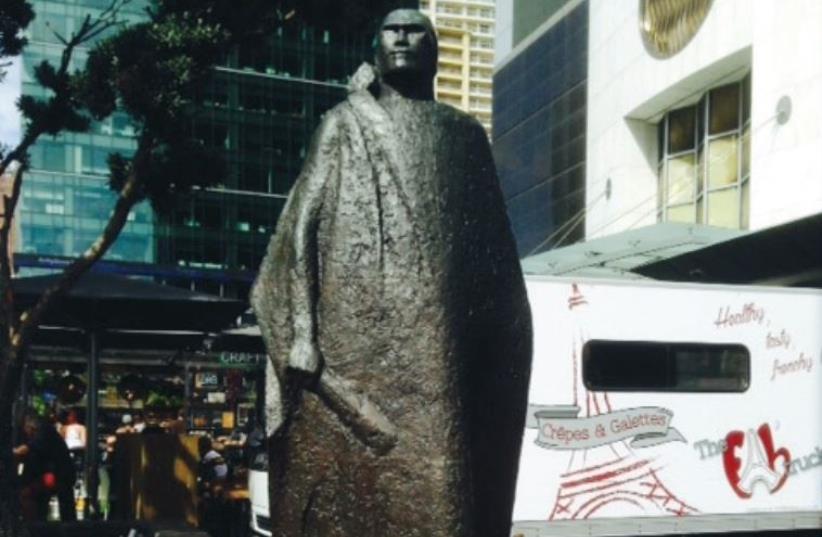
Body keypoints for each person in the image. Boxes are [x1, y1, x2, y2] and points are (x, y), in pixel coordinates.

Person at [251, 9, 532, 537]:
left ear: (435, 48)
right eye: (391, 29)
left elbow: (492, 265)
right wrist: (306, 334)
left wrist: (496, 351)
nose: (402, 37)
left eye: (415, 29)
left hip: (439, 365)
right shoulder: (343, 123)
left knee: (445, 496)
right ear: (376, 48)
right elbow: (300, 230)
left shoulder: (465, 136)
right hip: (355, 345)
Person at [14, 412, 77, 522]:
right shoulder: (45, 432)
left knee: (64, 504)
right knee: (56, 503)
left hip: (60, 473)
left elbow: (30, 448)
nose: (25, 432)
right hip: (56, 472)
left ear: (29, 426)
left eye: (25, 429)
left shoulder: (44, 431)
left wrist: (13, 453)